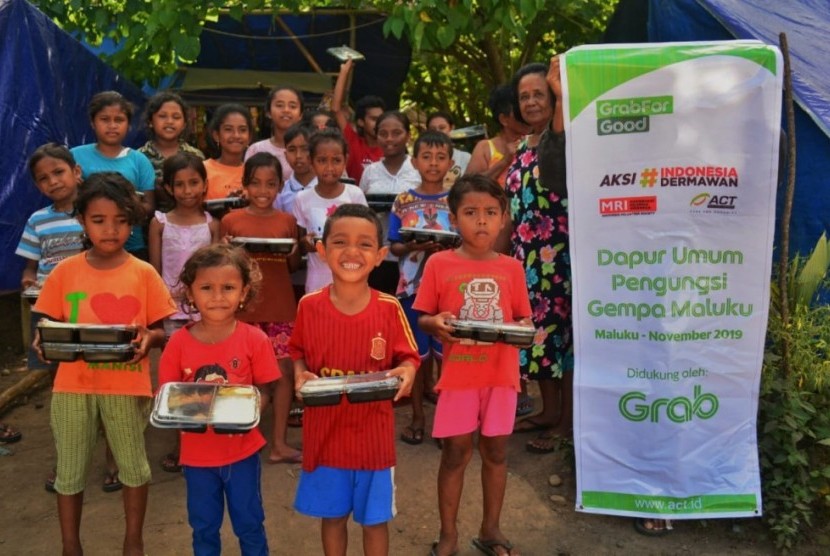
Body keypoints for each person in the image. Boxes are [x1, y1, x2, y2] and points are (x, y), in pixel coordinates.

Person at [32, 172, 175, 556]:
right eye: (98, 220)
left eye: (121, 220)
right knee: (70, 471)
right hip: (72, 386)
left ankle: (133, 541)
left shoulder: (143, 273)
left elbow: (161, 330)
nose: (110, 230)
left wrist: (150, 338)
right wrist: (43, 340)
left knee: (134, 468)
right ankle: (70, 545)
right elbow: (48, 325)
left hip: (126, 386)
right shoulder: (65, 272)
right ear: (82, 221)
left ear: (132, 222)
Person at [291, 203, 419, 556]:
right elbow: (297, 350)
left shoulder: (389, 308)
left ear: (379, 256)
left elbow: (408, 357)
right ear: (322, 250)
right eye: (340, 242)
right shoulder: (309, 306)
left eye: (364, 244)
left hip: (373, 440)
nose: (351, 252)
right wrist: (301, 375)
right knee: (332, 518)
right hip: (325, 435)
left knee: (374, 521)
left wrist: (406, 372)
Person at [414, 174, 532, 556]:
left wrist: (523, 329)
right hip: (459, 378)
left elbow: (523, 321)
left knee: (496, 453)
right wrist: (437, 324)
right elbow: (424, 317)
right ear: (453, 219)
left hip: (501, 377)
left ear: (503, 219)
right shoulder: (438, 263)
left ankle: (490, 530)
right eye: (470, 212)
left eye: (490, 212)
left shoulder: (512, 268)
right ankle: (448, 535)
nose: (481, 220)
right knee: (455, 455)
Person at [158, 244, 279, 555]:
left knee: (250, 523)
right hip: (197, 457)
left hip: (242, 454)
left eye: (228, 287)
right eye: (206, 288)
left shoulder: (255, 339)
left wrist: (245, 413)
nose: (217, 296)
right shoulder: (178, 343)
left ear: (244, 292)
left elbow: (266, 389)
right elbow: (168, 397)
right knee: (203, 526)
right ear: (190, 293)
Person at [505, 57, 573, 457]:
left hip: (558, 257)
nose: (531, 101)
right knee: (538, 340)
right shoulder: (521, 145)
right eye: (524, 96)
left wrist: (562, 93)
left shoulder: (560, 138)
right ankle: (548, 412)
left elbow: (559, 148)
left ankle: (564, 423)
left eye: (539, 94)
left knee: (561, 341)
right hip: (526, 260)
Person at [221, 152, 302, 465]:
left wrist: (296, 249)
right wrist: (228, 249)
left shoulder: (287, 222)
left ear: (280, 186)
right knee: (240, 375)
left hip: (281, 307)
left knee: (282, 376)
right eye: (255, 183)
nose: (263, 190)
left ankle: (278, 443)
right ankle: (236, 438)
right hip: (244, 311)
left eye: (270, 183)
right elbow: (221, 266)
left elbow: (292, 266)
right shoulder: (231, 221)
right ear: (244, 186)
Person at [15, 143, 85, 490]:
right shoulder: (37, 221)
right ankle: (67, 458)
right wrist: (29, 283)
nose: (53, 182)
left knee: (98, 379)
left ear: (76, 172)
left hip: (89, 311)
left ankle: (112, 457)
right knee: (63, 385)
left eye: (58, 172)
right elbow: (30, 267)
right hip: (52, 313)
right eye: (44, 179)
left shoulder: (94, 213)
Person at [148, 152, 220, 473]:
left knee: (210, 371)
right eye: (180, 184)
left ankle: (211, 432)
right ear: (168, 187)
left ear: (205, 185)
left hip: (207, 311)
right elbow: (154, 270)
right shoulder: (159, 223)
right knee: (179, 376)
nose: (188, 190)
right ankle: (182, 442)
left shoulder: (211, 224)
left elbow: (219, 270)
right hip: (172, 312)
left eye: (194, 182)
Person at [387, 130, 455, 445]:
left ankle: (445, 422)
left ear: (451, 163)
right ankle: (416, 416)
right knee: (415, 356)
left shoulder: (456, 200)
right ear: (415, 161)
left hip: (449, 292)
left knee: (446, 357)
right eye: (426, 156)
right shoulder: (403, 201)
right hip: (411, 291)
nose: (433, 163)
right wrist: (415, 244)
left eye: (441, 157)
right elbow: (395, 247)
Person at [70, 90, 155, 260]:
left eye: (119, 120)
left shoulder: (139, 160)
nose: (112, 125)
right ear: (93, 123)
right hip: (84, 244)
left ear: (128, 124)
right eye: (105, 119)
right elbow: (63, 198)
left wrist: (128, 204)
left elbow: (149, 206)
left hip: (132, 246)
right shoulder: (75, 156)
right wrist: (74, 189)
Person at [292, 128, 367, 293]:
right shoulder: (302, 198)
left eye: (336, 160)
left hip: (351, 279)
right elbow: (301, 244)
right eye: (322, 160)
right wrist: (305, 244)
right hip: (317, 282)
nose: (329, 167)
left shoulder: (354, 194)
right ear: (311, 162)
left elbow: (366, 237)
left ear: (345, 160)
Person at [360, 111, 421, 295]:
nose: (389, 139)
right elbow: (361, 210)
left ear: (408, 136)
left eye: (396, 133)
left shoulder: (418, 169)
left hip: (413, 254)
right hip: (376, 255)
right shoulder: (370, 172)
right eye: (383, 133)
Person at [138, 91, 204, 212]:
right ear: (150, 122)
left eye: (176, 117)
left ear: (184, 124)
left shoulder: (195, 156)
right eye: (162, 116)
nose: (169, 121)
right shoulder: (139, 157)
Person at [332, 58, 385, 183]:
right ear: (361, 122)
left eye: (381, 119)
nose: (378, 124)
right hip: (352, 200)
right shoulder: (353, 141)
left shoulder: (389, 148)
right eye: (373, 119)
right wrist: (344, 72)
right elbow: (336, 109)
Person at [465, 84, 530, 187]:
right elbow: (468, 186)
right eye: (518, 112)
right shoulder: (485, 148)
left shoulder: (538, 142)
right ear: (503, 119)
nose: (525, 114)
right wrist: (505, 161)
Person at [246, 86, 304, 182]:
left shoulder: (311, 149)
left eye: (292, 106)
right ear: (268, 112)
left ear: (300, 115)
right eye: (279, 105)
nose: (286, 110)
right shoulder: (256, 149)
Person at [203, 104, 252, 200]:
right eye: (228, 129)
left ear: (249, 137)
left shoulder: (254, 172)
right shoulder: (203, 170)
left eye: (242, 130)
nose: (236, 135)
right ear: (216, 135)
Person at [277, 124, 317, 215]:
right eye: (292, 150)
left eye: (305, 149)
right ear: (285, 155)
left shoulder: (327, 188)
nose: (298, 156)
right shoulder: (281, 192)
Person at [426, 111, 472, 187]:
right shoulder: (422, 159)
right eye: (433, 129)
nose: (437, 132)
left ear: (452, 128)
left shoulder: (465, 157)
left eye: (442, 128)